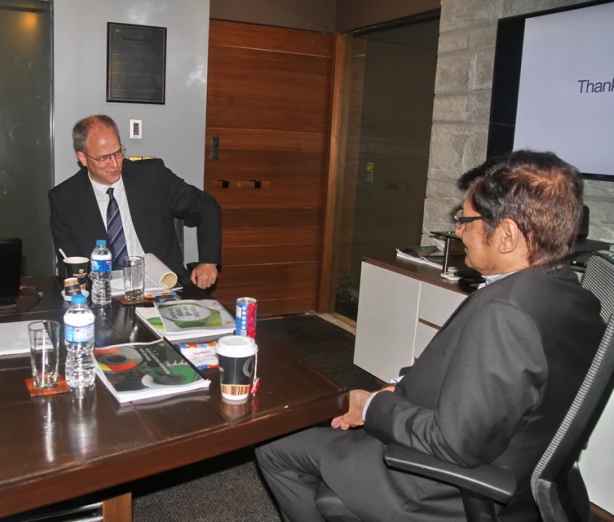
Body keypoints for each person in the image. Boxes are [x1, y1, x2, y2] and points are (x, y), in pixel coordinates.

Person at [255, 150, 606, 522]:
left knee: (275, 449)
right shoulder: (575, 296)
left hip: (435, 490)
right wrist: (401, 386)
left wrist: (373, 407)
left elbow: (454, 445)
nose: (458, 231)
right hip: (513, 470)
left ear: (505, 235)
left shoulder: (505, 313)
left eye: (466, 219)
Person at [49, 115, 221, 289]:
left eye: (117, 153)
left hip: (163, 287)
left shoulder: (152, 176)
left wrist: (208, 261)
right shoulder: (65, 199)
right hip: (103, 293)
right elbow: (70, 263)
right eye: (103, 158)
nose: (114, 164)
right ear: (83, 158)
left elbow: (206, 206)